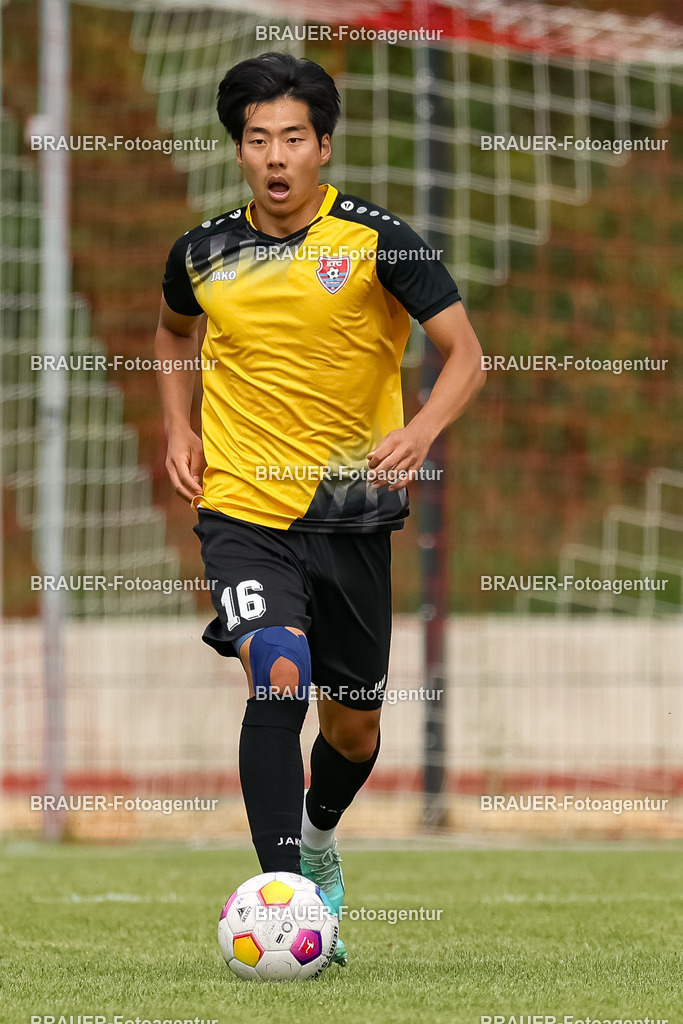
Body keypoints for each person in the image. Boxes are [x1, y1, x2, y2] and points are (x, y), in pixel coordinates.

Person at [155, 51, 485, 966]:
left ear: (323, 147)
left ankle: (321, 836)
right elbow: (173, 330)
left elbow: (465, 354)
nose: (275, 156)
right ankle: (285, 898)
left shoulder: (382, 242)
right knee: (278, 677)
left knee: (353, 725)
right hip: (242, 512)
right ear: (237, 152)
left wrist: (420, 432)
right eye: (257, 139)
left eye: (292, 138)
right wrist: (178, 428)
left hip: (351, 515)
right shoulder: (201, 253)